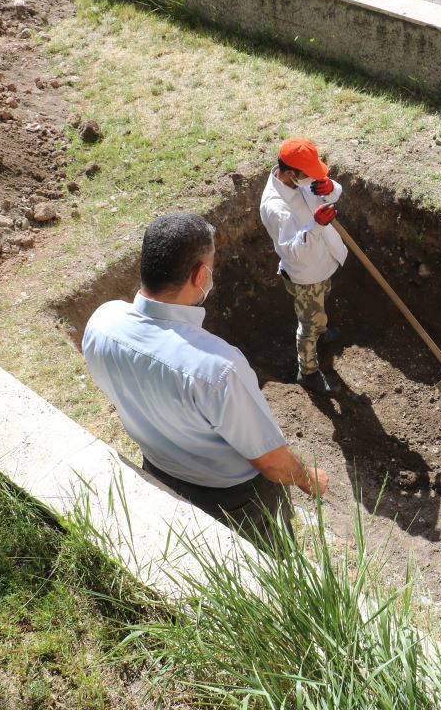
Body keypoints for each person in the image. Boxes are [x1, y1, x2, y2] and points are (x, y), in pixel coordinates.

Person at [82, 212, 329, 549]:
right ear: (200, 275)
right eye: (210, 267)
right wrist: (307, 479)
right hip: (235, 500)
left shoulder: (102, 323)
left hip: (159, 470)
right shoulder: (217, 367)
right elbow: (270, 460)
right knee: (268, 565)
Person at [259, 137, 347, 397]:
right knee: (308, 324)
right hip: (306, 275)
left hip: (323, 260)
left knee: (321, 303)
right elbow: (294, 251)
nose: (312, 178)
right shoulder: (276, 208)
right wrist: (316, 225)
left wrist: (331, 187)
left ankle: (321, 331)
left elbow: (329, 193)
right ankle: (307, 372)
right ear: (289, 173)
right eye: (307, 174)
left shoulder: (299, 179)